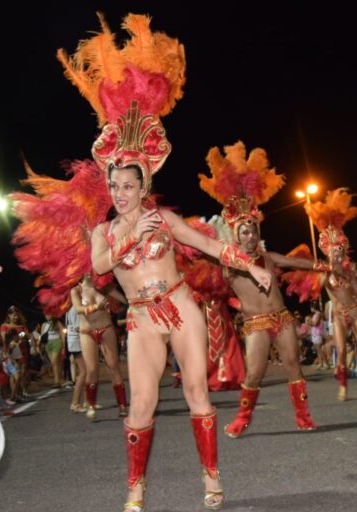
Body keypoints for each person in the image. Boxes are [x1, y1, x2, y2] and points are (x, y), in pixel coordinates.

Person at [57, 15, 272, 511]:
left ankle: (212, 478)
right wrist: (134, 230)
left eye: (129, 186)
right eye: (115, 186)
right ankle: (136, 487)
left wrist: (253, 266)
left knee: (197, 388)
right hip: (140, 318)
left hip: (180, 306)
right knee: (142, 404)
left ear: (144, 186)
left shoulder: (166, 218)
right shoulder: (105, 230)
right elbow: (102, 269)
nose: (121, 193)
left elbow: (214, 246)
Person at [198, 141, 322, 437]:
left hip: (282, 318)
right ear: (235, 235)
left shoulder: (266, 257)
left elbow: (296, 261)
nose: (250, 234)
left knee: (294, 365)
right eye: (244, 230)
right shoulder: (228, 263)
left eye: (253, 229)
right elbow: (207, 266)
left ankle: (303, 416)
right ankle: (243, 418)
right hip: (255, 324)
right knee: (254, 373)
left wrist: (327, 267)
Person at [298, 188, 357, 400]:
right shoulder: (324, 273)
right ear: (329, 252)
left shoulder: (349, 274)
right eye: (334, 251)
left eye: (340, 251)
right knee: (342, 350)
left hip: (354, 311)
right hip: (337, 313)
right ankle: (343, 387)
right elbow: (323, 285)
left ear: (343, 252)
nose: (337, 253)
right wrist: (329, 269)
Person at [70, 275, 128, 420]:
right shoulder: (76, 290)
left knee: (113, 366)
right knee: (92, 370)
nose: (90, 271)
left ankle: (122, 405)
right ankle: (90, 404)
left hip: (106, 328)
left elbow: (126, 299)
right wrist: (97, 306)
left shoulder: (104, 286)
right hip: (86, 332)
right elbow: (78, 308)